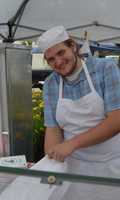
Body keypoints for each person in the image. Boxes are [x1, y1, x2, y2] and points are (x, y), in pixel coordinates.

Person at [38, 26, 120, 199]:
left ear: (73, 46)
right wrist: (51, 167)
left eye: (61, 53)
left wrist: (72, 144)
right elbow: (53, 130)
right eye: (51, 59)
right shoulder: (51, 84)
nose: (58, 62)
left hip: (111, 165)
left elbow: (116, 120)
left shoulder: (105, 68)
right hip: (73, 167)